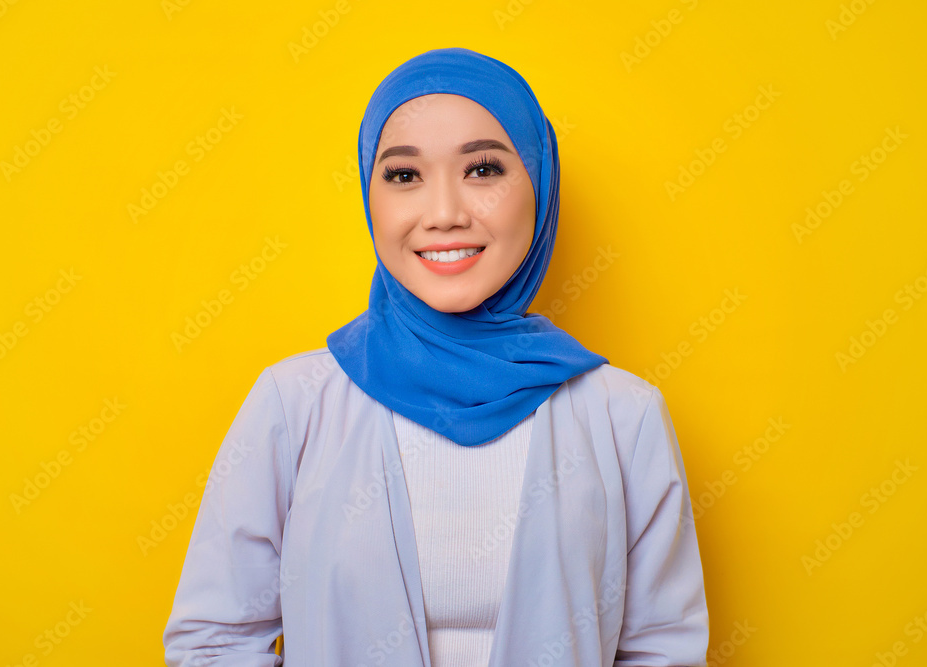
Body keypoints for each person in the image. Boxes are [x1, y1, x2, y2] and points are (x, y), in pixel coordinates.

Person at [163, 47, 708, 666]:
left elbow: (663, 650)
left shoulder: (624, 417)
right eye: (404, 175)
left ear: (540, 186)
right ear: (369, 195)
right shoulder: (295, 405)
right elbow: (214, 642)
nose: (445, 214)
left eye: (483, 169)